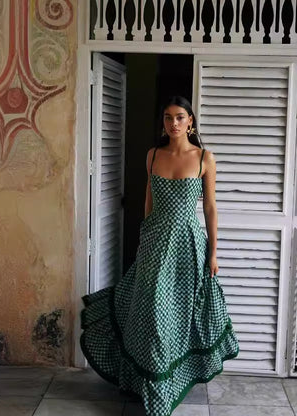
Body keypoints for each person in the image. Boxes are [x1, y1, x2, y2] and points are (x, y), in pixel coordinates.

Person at [80, 95, 240, 416]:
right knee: (153, 310)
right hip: (155, 244)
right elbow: (148, 202)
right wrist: (144, 239)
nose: (174, 123)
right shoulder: (153, 155)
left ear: (191, 122)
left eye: (180, 117)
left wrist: (213, 252)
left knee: (180, 312)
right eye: (168, 118)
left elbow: (210, 207)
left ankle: (171, 382)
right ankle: (152, 386)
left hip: (189, 245)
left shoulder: (205, 157)